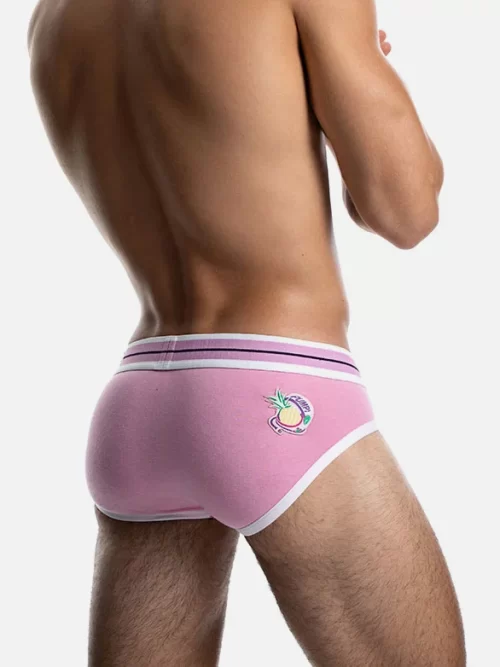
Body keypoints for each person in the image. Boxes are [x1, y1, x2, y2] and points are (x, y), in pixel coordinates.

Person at [28, 0, 466, 665]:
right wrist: (360, 77)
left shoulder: (55, 17)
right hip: (276, 389)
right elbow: (405, 211)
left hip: (138, 405)